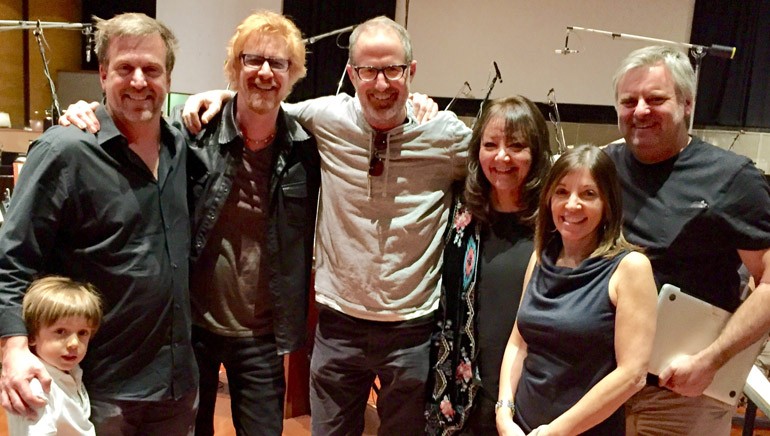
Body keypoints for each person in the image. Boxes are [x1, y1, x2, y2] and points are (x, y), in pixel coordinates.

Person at [182, 15, 470, 435]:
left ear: (411, 71)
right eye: (369, 70)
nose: (381, 83)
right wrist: (219, 95)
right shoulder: (325, 118)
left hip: (412, 331)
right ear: (352, 74)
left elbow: (503, 163)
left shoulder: (444, 134)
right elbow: (264, 103)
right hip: (337, 327)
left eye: (393, 69)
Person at [57, 11, 320, 435]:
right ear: (235, 67)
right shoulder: (194, 132)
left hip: (263, 333)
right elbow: (133, 119)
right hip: (188, 327)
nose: (265, 72)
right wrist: (88, 109)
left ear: (294, 74)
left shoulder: (308, 149)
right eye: (253, 60)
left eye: (279, 63)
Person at [0, 13, 197, 435]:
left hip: (176, 384)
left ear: (168, 78)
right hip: (96, 388)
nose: (140, 81)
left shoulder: (183, 146)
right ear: (103, 74)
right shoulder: (65, 150)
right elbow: (12, 259)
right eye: (125, 68)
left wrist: (215, 96)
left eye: (152, 69)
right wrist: (13, 349)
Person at [605, 45, 770, 435]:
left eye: (655, 99)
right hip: (600, 387)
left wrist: (712, 360)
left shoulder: (733, 178)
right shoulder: (602, 169)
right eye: (629, 101)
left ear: (686, 103)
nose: (640, 110)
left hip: (681, 396)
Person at [496, 145, 657, 435]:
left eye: (588, 194)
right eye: (561, 192)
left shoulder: (630, 268)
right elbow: (518, 343)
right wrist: (504, 414)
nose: (572, 205)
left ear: (608, 203)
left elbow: (632, 375)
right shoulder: (540, 258)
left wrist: (555, 432)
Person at [425, 96, 552, 435]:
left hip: (528, 395)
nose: (502, 157)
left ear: (537, 153)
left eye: (517, 146)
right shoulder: (459, 212)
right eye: (490, 144)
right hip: (462, 396)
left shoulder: (556, 225)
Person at [7, 276, 103, 436]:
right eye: (60, 331)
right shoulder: (36, 388)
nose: (74, 343)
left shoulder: (72, 371)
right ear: (31, 336)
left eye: (82, 333)